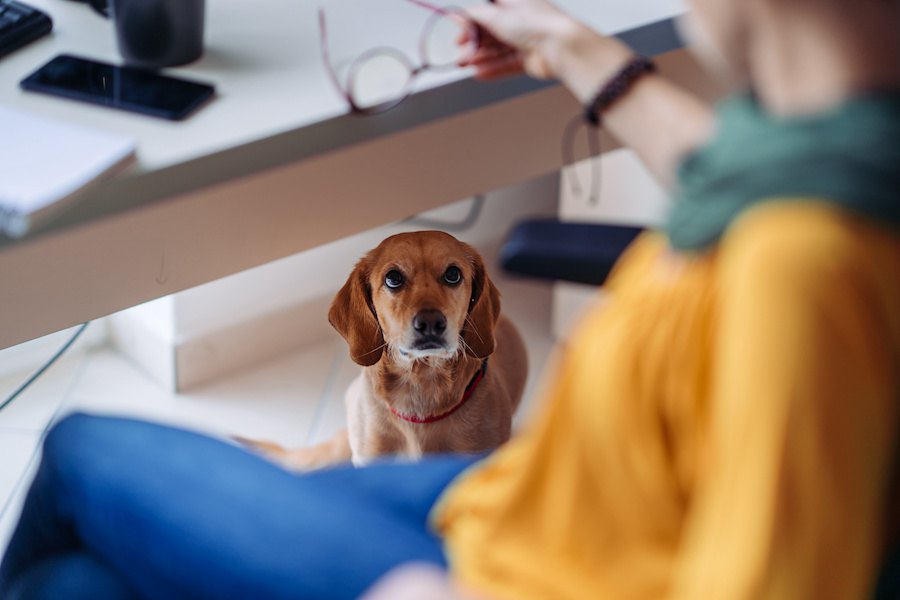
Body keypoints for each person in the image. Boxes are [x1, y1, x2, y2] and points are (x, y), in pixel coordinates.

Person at [3, 0, 900, 597]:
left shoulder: (805, 267)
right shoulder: (826, 160)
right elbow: (730, 175)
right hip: (529, 499)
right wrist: (575, 51)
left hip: (523, 574)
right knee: (81, 584)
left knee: (81, 451)